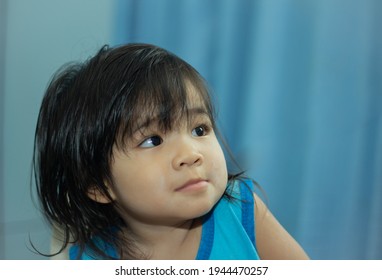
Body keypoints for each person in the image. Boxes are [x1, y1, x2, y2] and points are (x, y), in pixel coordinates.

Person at [33, 43, 309, 260]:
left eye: (199, 130)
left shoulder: (242, 212)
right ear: (99, 185)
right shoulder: (84, 261)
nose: (191, 154)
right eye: (152, 140)